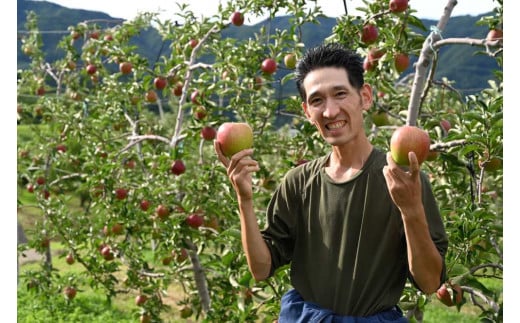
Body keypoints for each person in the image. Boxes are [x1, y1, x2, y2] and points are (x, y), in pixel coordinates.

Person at [214, 42, 448, 322]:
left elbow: (430, 282)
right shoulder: (299, 182)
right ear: (306, 111)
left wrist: (411, 210)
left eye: (340, 94)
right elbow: (261, 269)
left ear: (365, 96)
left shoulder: (404, 181)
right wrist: (245, 199)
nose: (330, 111)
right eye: (317, 101)